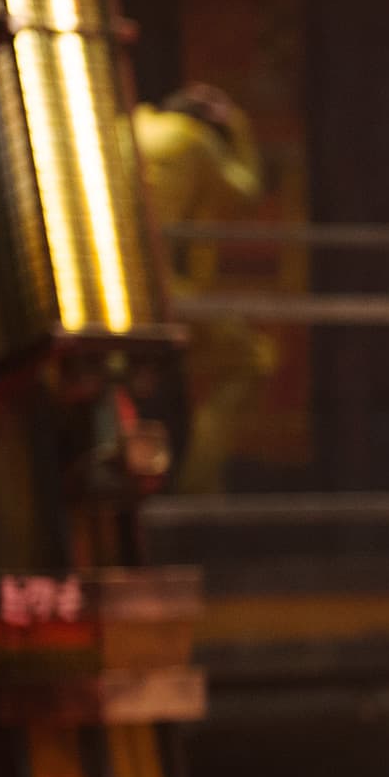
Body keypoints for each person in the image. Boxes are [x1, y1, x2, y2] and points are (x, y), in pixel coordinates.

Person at [132, 84, 273, 495]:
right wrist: (238, 127)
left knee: (157, 366)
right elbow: (247, 191)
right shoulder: (196, 140)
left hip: (104, 282)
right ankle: (199, 489)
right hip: (155, 285)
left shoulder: (133, 123)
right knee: (252, 360)